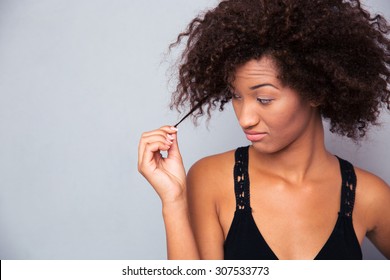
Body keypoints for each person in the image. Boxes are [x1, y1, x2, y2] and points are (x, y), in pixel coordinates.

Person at [138, 0, 390, 260]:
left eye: (264, 99)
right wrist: (174, 201)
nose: (245, 119)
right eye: (236, 97)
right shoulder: (211, 180)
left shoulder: (369, 195)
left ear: (315, 92)